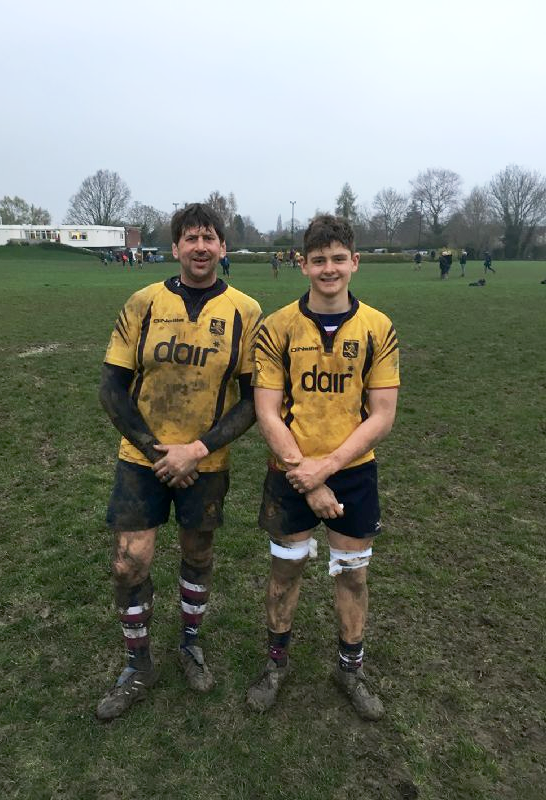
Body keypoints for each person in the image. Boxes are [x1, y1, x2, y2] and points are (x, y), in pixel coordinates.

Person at [96, 203, 263, 721]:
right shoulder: (143, 302)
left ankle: (189, 642)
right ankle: (137, 664)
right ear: (174, 248)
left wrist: (198, 448)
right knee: (129, 562)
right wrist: (155, 450)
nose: (200, 246)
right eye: (190, 238)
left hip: (205, 464)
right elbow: (111, 388)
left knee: (197, 553)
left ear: (222, 248)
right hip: (141, 459)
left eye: (209, 238)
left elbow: (255, 399)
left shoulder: (245, 311)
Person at [247, 214, 399, 721]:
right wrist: (305, 476)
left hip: (354, 472)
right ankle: (275, 664)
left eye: (338, 259)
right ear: (302, 266)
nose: (328, 269)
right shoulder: (276, 327)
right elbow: (267, 411)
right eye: (318, 260)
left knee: (353, 578)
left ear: (355, 262)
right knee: (285, 572)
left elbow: (382, 414)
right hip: (288, 471)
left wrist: (327, 468)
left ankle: (350, 669)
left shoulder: (379, 328)